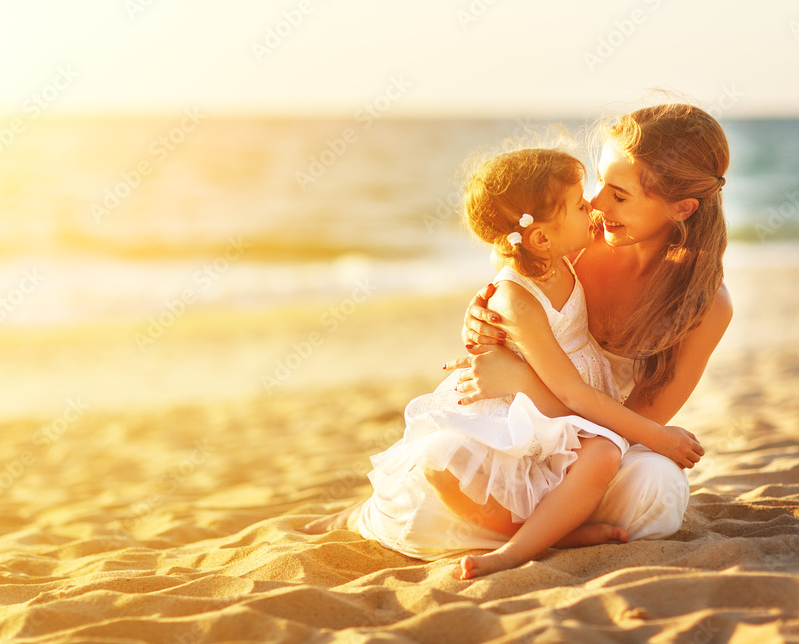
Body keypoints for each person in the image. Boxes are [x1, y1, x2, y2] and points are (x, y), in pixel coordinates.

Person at [303, 136, 708, 579]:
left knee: (608, 458)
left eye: (611, 195)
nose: (592, 208)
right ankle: (519, 546)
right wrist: (658, 436)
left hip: (567, 402)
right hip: (526, 406)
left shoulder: (564, 253)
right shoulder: (522, 293)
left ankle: (546, 531)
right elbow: (569, 389)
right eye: (578, 204)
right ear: (540, 237)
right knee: (446, 466)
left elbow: (573, 388)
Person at [447, 103, 733, 553]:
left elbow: (637, 427)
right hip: (533, 428)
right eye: (600, 182)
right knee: (452, 459)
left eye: (619, 195)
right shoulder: (573, 242)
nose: (597, 202)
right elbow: (514, 289)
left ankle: (542, 522)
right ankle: (544, 524)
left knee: (657, 490)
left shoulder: (705, 307)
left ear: (682, 208)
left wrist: (523, 382)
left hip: (600, 444)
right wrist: (481, 313)